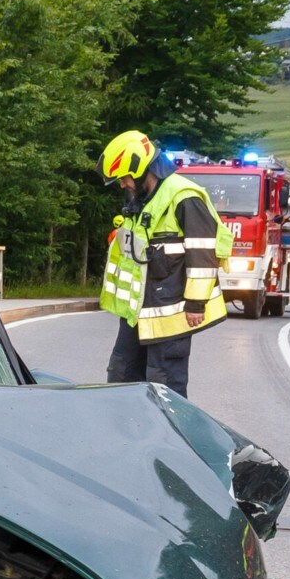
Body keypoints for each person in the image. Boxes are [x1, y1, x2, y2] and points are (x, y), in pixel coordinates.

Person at [97, 130, 227, 397]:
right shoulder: (142, 200)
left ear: (142, 169)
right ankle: (123, 433)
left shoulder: (185, 197)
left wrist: (195, 304)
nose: (122, 184)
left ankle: (170, 438)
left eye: (123, 178)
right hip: (138, 310)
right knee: (120, 375)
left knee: (164, 386)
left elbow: (202, 255)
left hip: (173, 310)